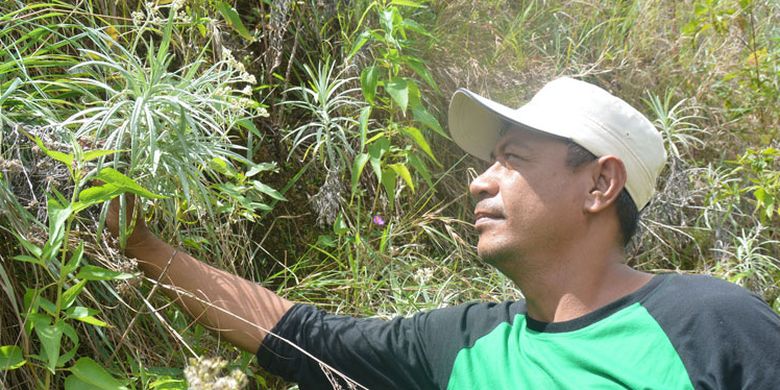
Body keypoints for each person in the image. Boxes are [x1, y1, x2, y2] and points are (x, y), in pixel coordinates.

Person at [107, 77, 780, 389]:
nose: (479, 182)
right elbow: (297, 337)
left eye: (512, 159)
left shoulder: (712, 325)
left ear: (600, 185)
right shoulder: (466, 345)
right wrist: (142, 247)